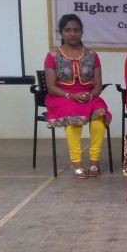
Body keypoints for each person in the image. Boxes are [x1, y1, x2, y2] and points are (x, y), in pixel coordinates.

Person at [43, 13, 111, 179]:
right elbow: (51, 87)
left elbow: (98, 85)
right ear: (61, 33)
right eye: (68, 30)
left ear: (81, 32)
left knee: (99, 117)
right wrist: (71, 96)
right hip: (62, 97)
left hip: (89, 96)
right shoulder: (52, 56)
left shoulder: (92, 55)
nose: (72, 33)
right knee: (73, 117)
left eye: (76, 30)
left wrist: (90, 95)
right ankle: (77, 163)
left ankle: (94, 162)